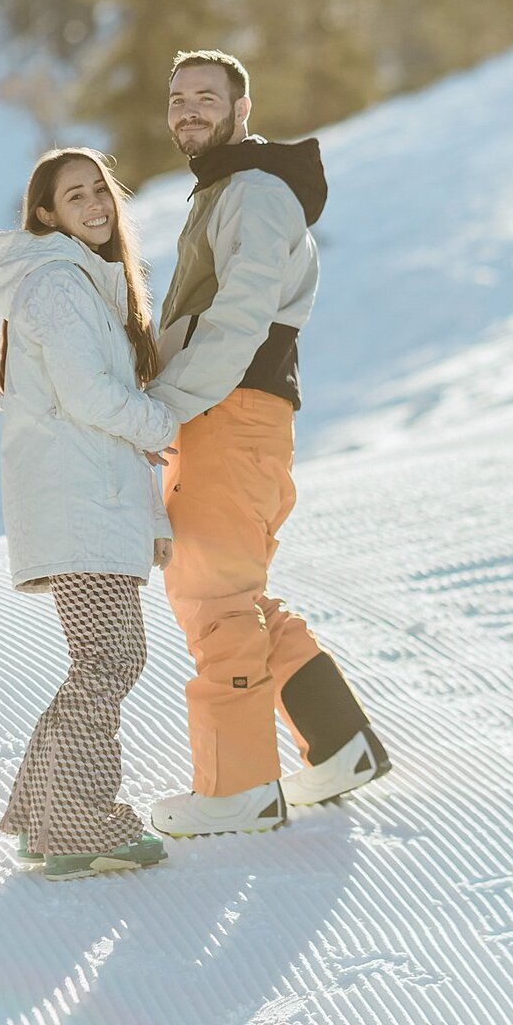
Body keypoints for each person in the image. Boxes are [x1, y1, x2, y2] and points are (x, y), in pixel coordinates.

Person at [146, 49, 391, 838]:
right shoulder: (230, 189)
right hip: (234, 414)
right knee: (237, 594)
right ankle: (340, 744)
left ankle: (237, 790)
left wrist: (164, 408)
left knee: (214, 600)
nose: (189, 109)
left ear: (242, 109)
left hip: (226, 411)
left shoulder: (253, 191)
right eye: (178, 98)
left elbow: (241, 313)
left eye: (206, 97)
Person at [0, 147, 178, 880]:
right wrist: (162, 425)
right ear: (46, 215)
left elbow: (92, 410)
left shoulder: (83, 282)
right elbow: (89, 396)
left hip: (92, 500)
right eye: (76, 196)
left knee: (101, 661)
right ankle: (80, 825)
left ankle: (47, 820)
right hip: (78, 504)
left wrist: (151, 521)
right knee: (109, 661)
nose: (96, 204)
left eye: (100, 190)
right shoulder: (59, 284)